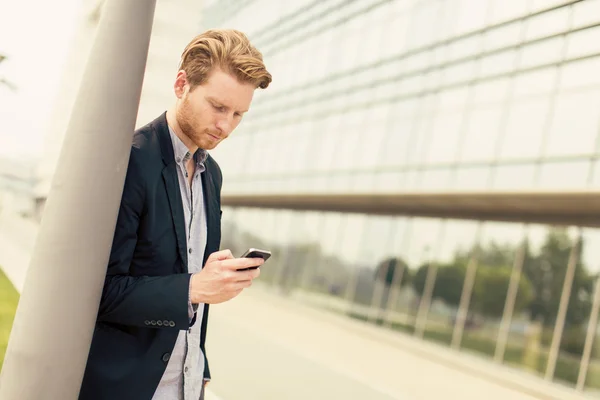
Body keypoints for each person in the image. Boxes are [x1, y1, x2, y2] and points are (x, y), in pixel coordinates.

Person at [79, 29, 272, 400]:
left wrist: (201, 366)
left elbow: (194, 302)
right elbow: (98, 292)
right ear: (181, 84)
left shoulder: (211, 175)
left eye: (238, 114)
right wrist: (193, 287)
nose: (226, 126)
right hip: (127, 388)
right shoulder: (130, 161)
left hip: (185, 387)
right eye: (218, 107)